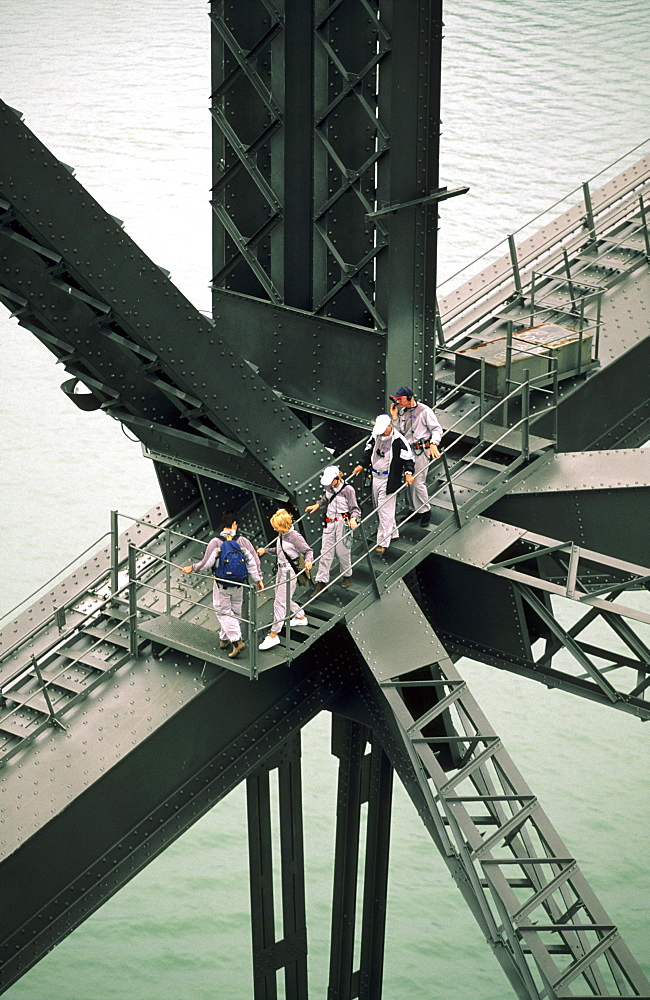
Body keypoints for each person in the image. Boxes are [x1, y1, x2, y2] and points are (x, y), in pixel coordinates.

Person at [182, 511, 263, 659]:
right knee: (235, 612)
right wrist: (259, 579)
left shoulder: (215, 542)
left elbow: (206, 563)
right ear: (234, 524)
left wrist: (192, 567)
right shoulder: (243, 541)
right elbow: (254, 560)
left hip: (222, 585)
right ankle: (224, 638)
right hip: (240, 584)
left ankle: (236, 642)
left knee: (222, 612)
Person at [351, 414, 414, 553]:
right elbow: (368, 450)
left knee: (384, 509)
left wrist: (408, 473)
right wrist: (362, 464)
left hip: (388, 479)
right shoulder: (375, 436)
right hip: (375, 476)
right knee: (379, 507)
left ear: (390, 426)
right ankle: (393, 532)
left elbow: (408, 458)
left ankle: (382, 543)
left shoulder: (398, 441)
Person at [256, 509, 314, 651]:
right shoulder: (282, 535)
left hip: (290, 571)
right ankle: (300, 617)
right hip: (281, 569)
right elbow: (280, 550)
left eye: (276, 526)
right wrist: (266, 550)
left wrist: (308, 561)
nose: (274, 529)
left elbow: (308, 551)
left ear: (284, 525)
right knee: (282, 598)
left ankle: (274, 634)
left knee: (280, 602)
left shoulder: (294, 536)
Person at [389, 385, 443, 526]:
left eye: (400, 399)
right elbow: (399, 432)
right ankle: (414, 510)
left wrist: (433, 443)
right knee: (409, 482)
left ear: (409, 398)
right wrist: (394, 417)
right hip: (407, 451)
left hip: (420, 451)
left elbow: (436, 429)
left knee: (418, 482)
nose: (398, 402)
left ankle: (425, 511)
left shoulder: (425, 411)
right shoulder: (402, 413)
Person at [304, 466, 361, 596]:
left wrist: (354, 519)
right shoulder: (328, 487)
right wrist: (318, 504)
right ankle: (321, 582)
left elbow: (355, 509)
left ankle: (347, 575)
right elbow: (327, 498)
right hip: (330, 522)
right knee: (325, 552)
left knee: (343, 552)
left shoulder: (348, 490)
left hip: (343, 522)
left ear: (337, 478)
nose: (328, 484)